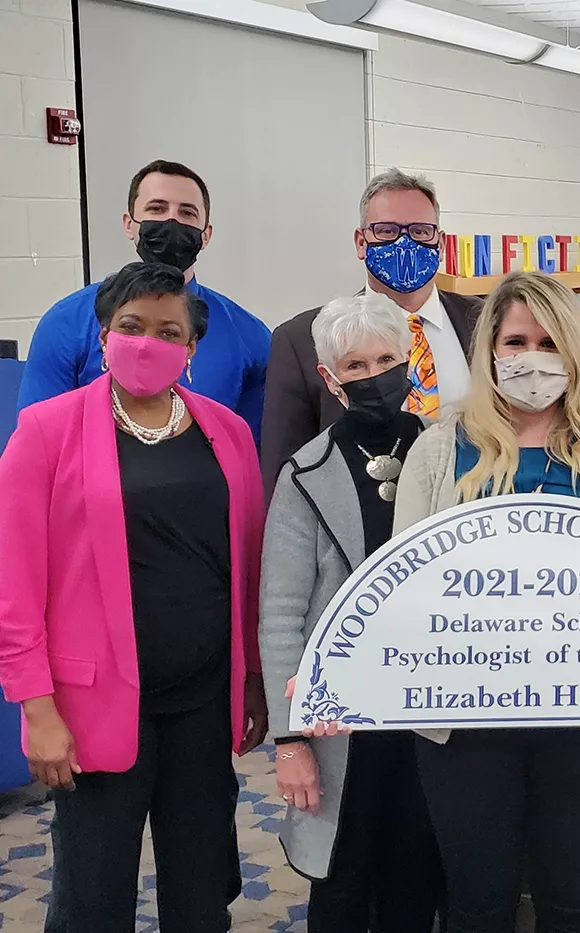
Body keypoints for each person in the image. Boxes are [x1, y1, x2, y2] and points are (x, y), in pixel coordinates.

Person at [0, 261, 268, 933]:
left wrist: (255, 680)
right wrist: (37, 708)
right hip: (93, 707)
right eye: (131, 326)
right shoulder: (47, 430)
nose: (147, 342)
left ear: (191, 348)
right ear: (103, 333)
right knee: (92, 899)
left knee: (204, 893)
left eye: (167, 330)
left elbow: (248, 565)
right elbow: (15, 579)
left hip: (205, 702)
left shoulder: (227, 432)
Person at [392, 270, 580, 933]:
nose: (531, 358)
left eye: (548, 341)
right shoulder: (437, 449)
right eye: (515, 340)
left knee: (570, 901)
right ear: (489, 350)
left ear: (574, 350)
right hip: (463, 722)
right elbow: (404, 587)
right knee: (478, 901)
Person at [260, 292, 442, 931]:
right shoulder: (302, 474)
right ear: (332, 380)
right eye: (356, 366)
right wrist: (289, 740)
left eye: (386, 359)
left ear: (410, 363)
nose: (374, 376)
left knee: (417, 884)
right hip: (343, 724)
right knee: (341, 886)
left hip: (429, 714)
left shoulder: (450, 457)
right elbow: (280, 614)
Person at [261, 168, 484, 496]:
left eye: (421, 231)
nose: (404, 243)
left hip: (467, 520)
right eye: (387, 230)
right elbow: (284, 477)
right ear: (361, 242)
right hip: (359, 533)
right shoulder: (301, 340)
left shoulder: (485, 321)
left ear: (440, 242)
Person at [18, 159, 271, 441]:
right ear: (130, 224)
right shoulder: (67, 322)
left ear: (206, 235)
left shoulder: (250, 337)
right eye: (157, 209)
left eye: (187, 213)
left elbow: (253, 451)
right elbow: (35, 442)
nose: (171, 222)